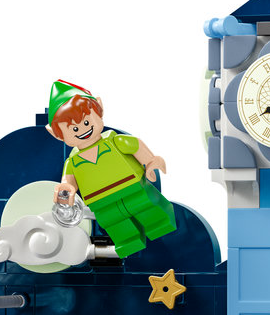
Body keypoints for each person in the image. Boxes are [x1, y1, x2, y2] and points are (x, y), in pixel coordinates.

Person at [47, 79, 176, 258]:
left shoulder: (114, 141)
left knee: (146, 208)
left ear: (100, 109)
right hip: (100, 202)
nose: (82, 130)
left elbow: (135, 146)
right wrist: (66, 191)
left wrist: (151, 161)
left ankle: (159, 225)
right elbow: (68, 182)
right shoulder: (73, 161)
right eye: (73, 129)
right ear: (57, 135)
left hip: (132, 188)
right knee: (114, 222)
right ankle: (128, 241)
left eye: (86, 123)